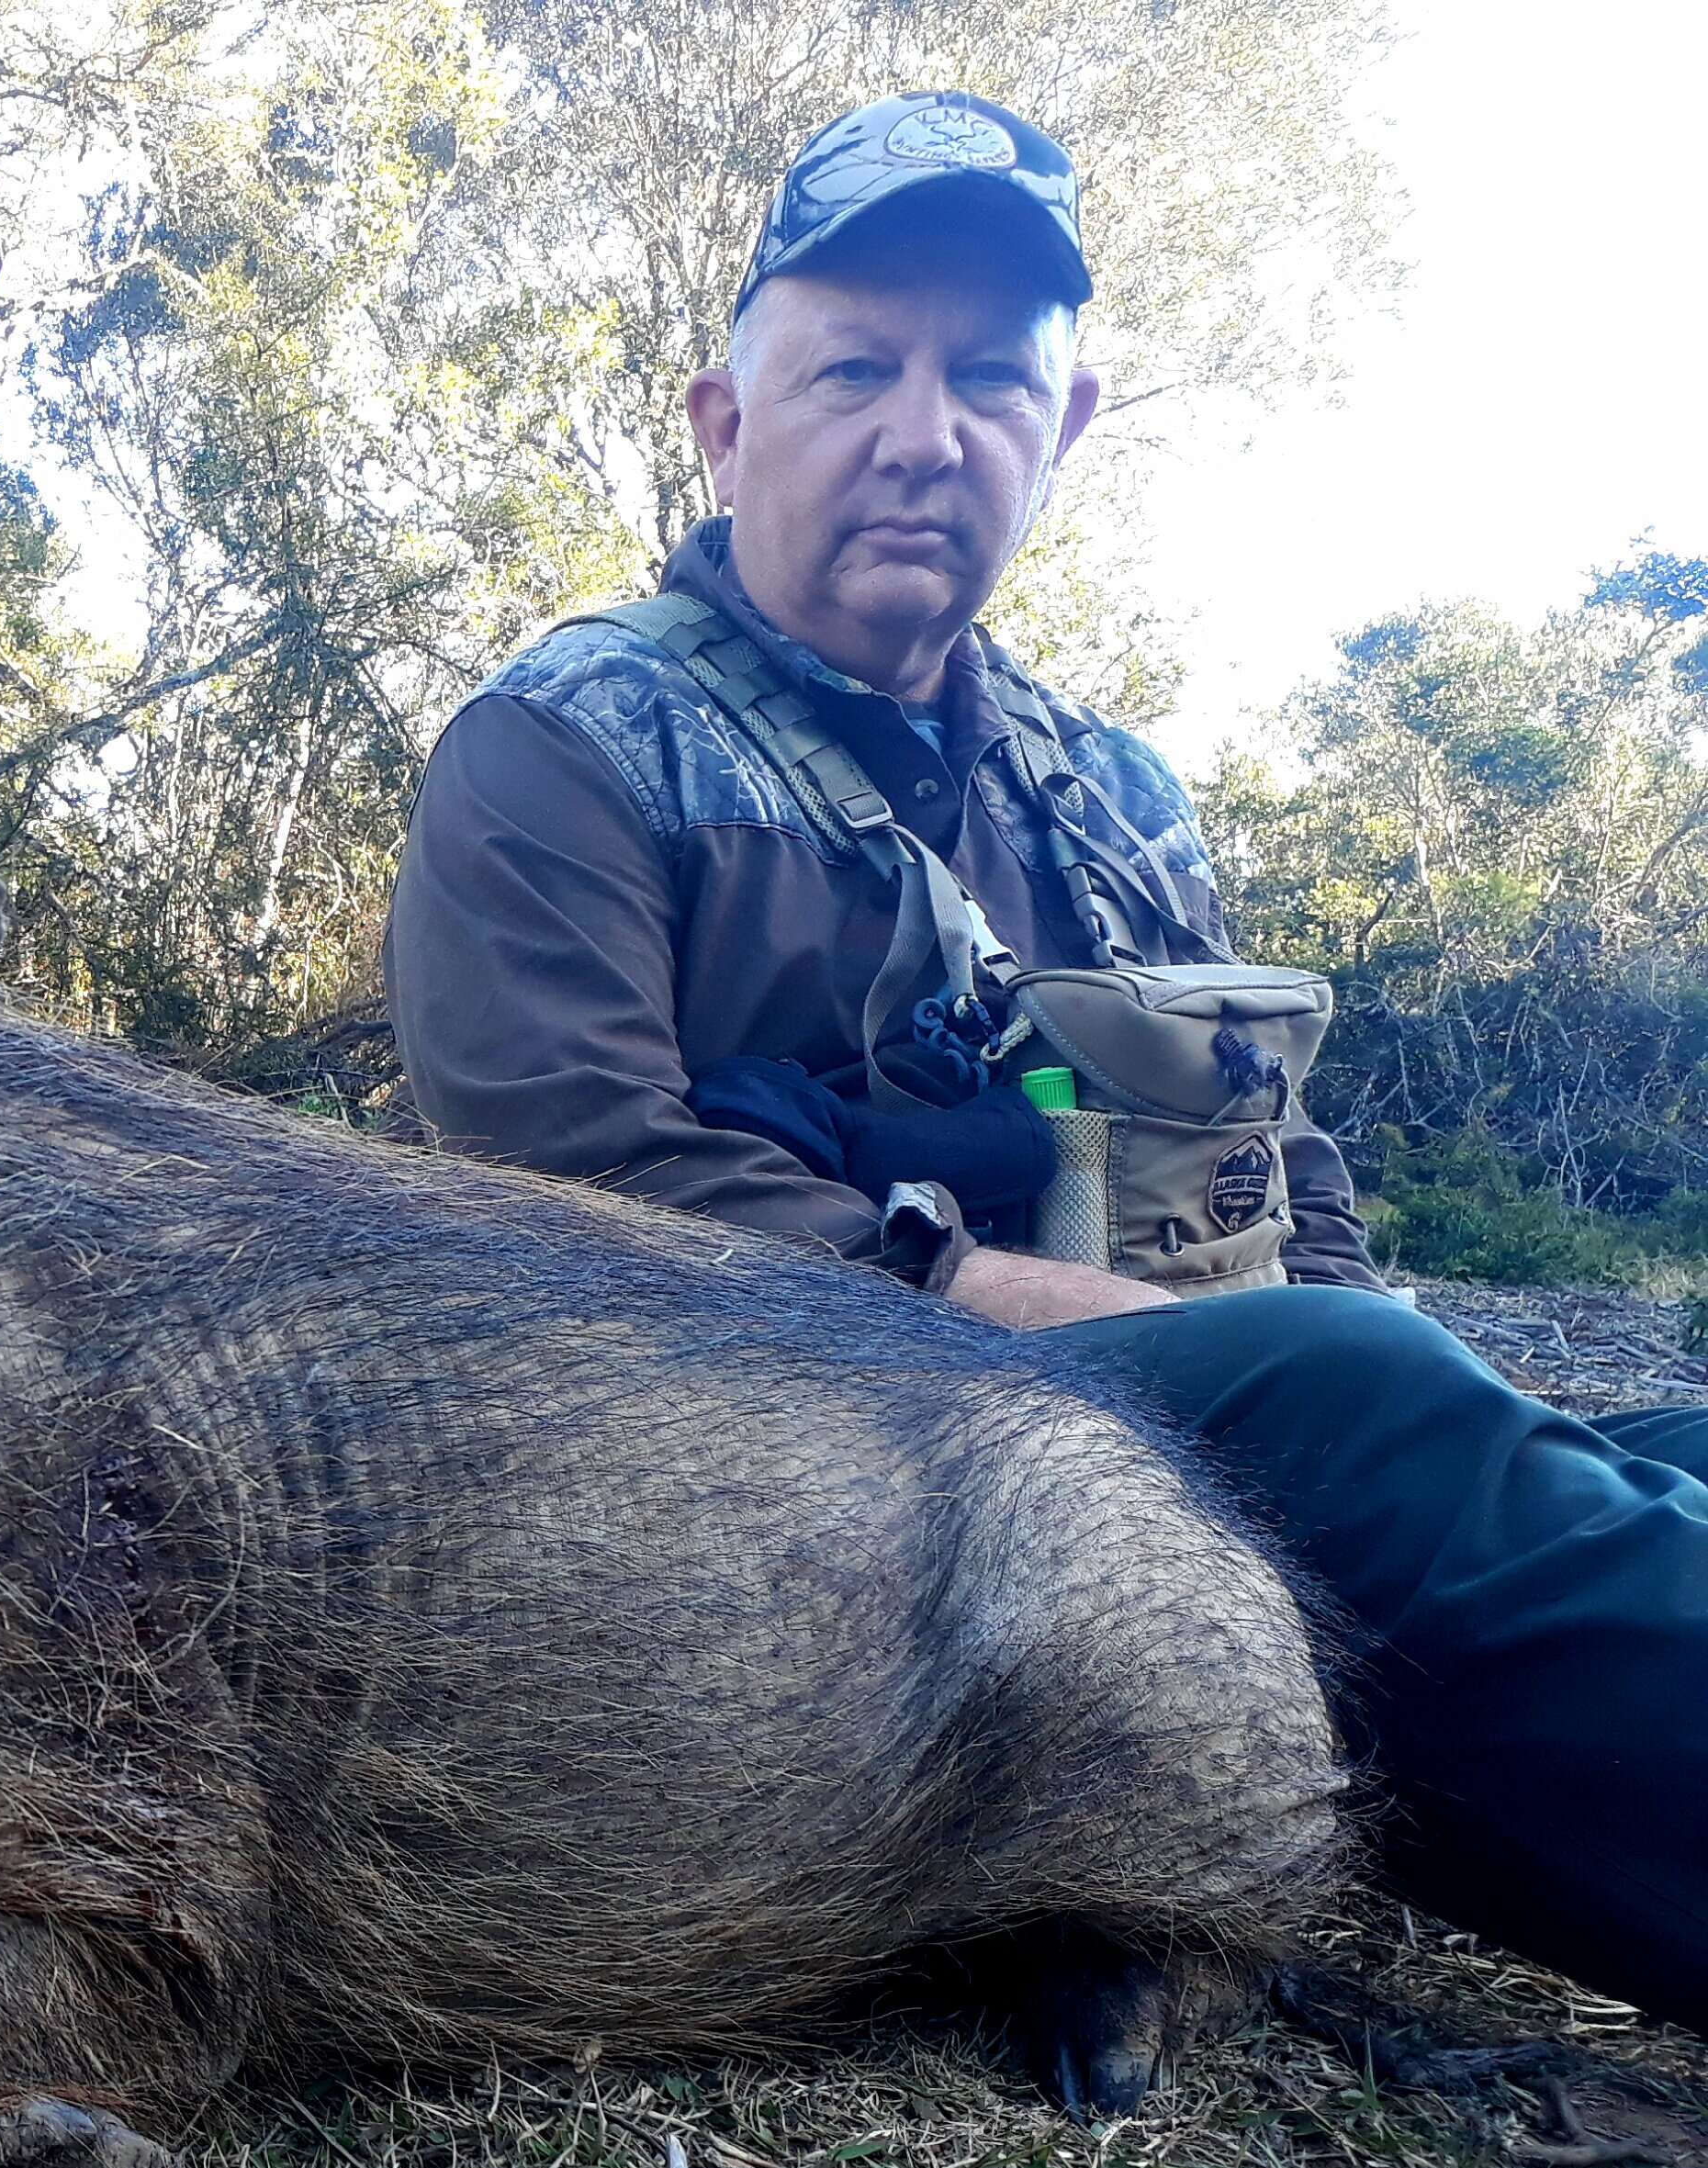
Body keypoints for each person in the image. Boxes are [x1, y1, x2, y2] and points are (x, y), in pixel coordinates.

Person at [384, 89, 1708, 2062]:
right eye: (854, 369)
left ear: (1059, 430)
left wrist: (1334, 1305)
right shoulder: (561, 746)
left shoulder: (1113, 792)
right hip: (771, 1444)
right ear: (723, 423)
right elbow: (564, 1191)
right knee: (1358, 1413)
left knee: (1628, 1446)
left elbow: (1272, 1149)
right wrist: (992, 1289)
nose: (923, 433)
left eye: (988, 380)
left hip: (1156, 1410)